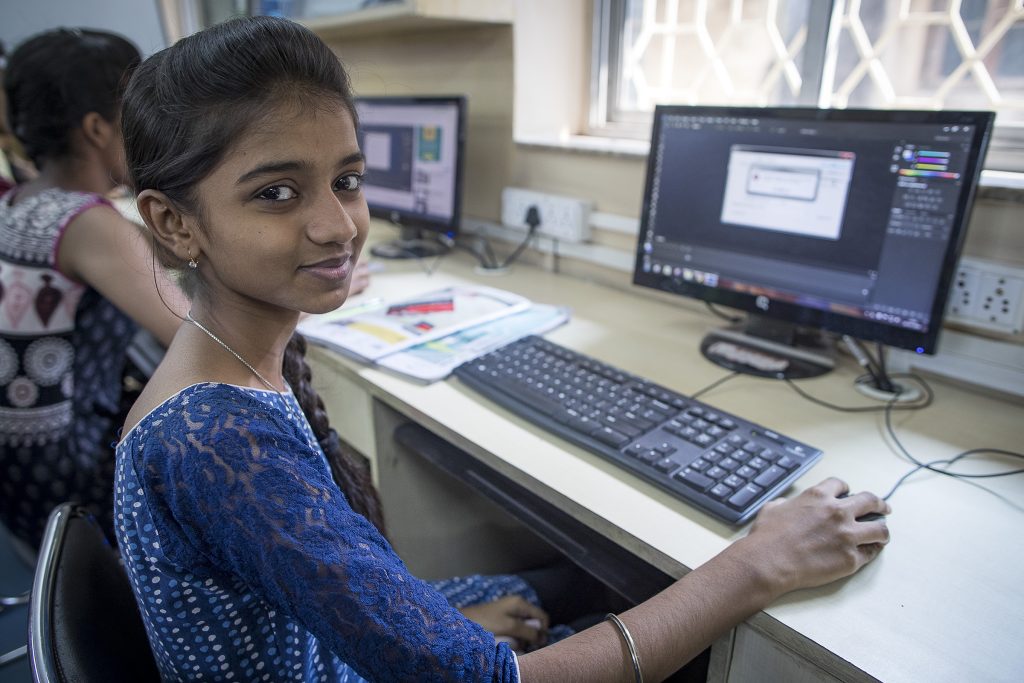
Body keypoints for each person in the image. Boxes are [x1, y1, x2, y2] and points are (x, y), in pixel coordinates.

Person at [115, 15, 891, 682]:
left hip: (326, 651)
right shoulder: (216, 442)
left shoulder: (226, 367)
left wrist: (432, 624)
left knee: (588, 581)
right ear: (175, 223)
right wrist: (760, 560)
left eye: (346, 180)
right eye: (276, 193)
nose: (339, 225)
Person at [0, 28, 189, 548]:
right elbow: (197, 335)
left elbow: (151, 253)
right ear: (97, 128)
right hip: (72, 479)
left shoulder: (21, 201)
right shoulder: (87, 223)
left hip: (18, 473)